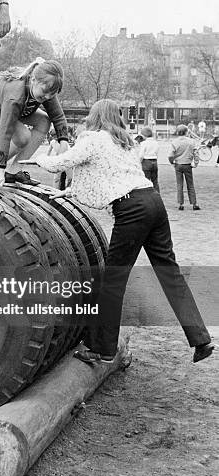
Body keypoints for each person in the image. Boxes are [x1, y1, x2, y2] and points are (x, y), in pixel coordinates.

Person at [36, 99, 214, 365]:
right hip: (153, 202)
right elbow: (111, 176)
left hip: (132, 210)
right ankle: (201, 339)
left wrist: (39, 157)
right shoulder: (126, 142)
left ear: (95, 116)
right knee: (169, 273)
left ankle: (103, 350)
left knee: (112, 282)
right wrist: (70, 191)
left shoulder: (94, 139)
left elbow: (61, 163)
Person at [0, 58, 69, 187]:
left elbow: (58, 115)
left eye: (51, 94)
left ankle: (14, 171)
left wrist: (64, 142)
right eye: (45, 93)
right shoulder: (15, 96)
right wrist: (0, 169)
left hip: (17, 108)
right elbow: (5, 132)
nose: (47, 97)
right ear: (33, 80)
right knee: (22, 137)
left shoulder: (46, 89)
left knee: (44, 121)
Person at [168, 124, 200, 211]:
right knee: (190, 185)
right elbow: (196, 154)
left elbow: (170, 155)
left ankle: (181, 204)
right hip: (188, 164)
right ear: (186, 132)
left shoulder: (174, 142)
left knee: (179, 184)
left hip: (178, 164)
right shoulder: (191, 142)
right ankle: (194, 203)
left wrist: (172, 162)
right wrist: (195, 163)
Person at [138, 126, 160, 192]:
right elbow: (157, 152)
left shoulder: (143, 143)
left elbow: (141, 155)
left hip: (146, 162)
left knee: (146, 181)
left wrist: (139, 162)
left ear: (144, 135)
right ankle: (157, 194)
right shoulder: (156, 143)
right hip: (154, 162)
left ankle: (147, 195)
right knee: (155, 181)